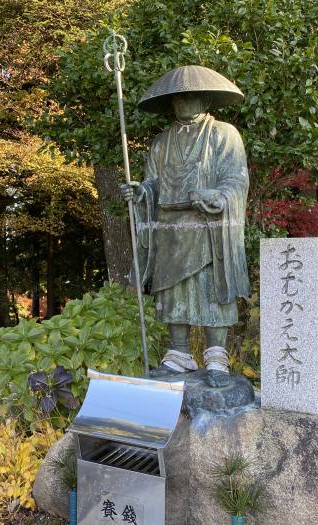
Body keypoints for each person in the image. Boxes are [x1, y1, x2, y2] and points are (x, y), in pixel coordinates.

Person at [120, 65, 250, 387]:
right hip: (169, 228)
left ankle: (216, 353)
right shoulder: (161, 143)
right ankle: (178, 353)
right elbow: (152, 182)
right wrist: (141, 192)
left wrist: (220, 196)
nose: (184, 103)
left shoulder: (224, 134)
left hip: (207, 226)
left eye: (191, 96)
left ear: (205, 98)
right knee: (173, 291)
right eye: (178, 98)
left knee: (210, 288)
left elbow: (237, 178)